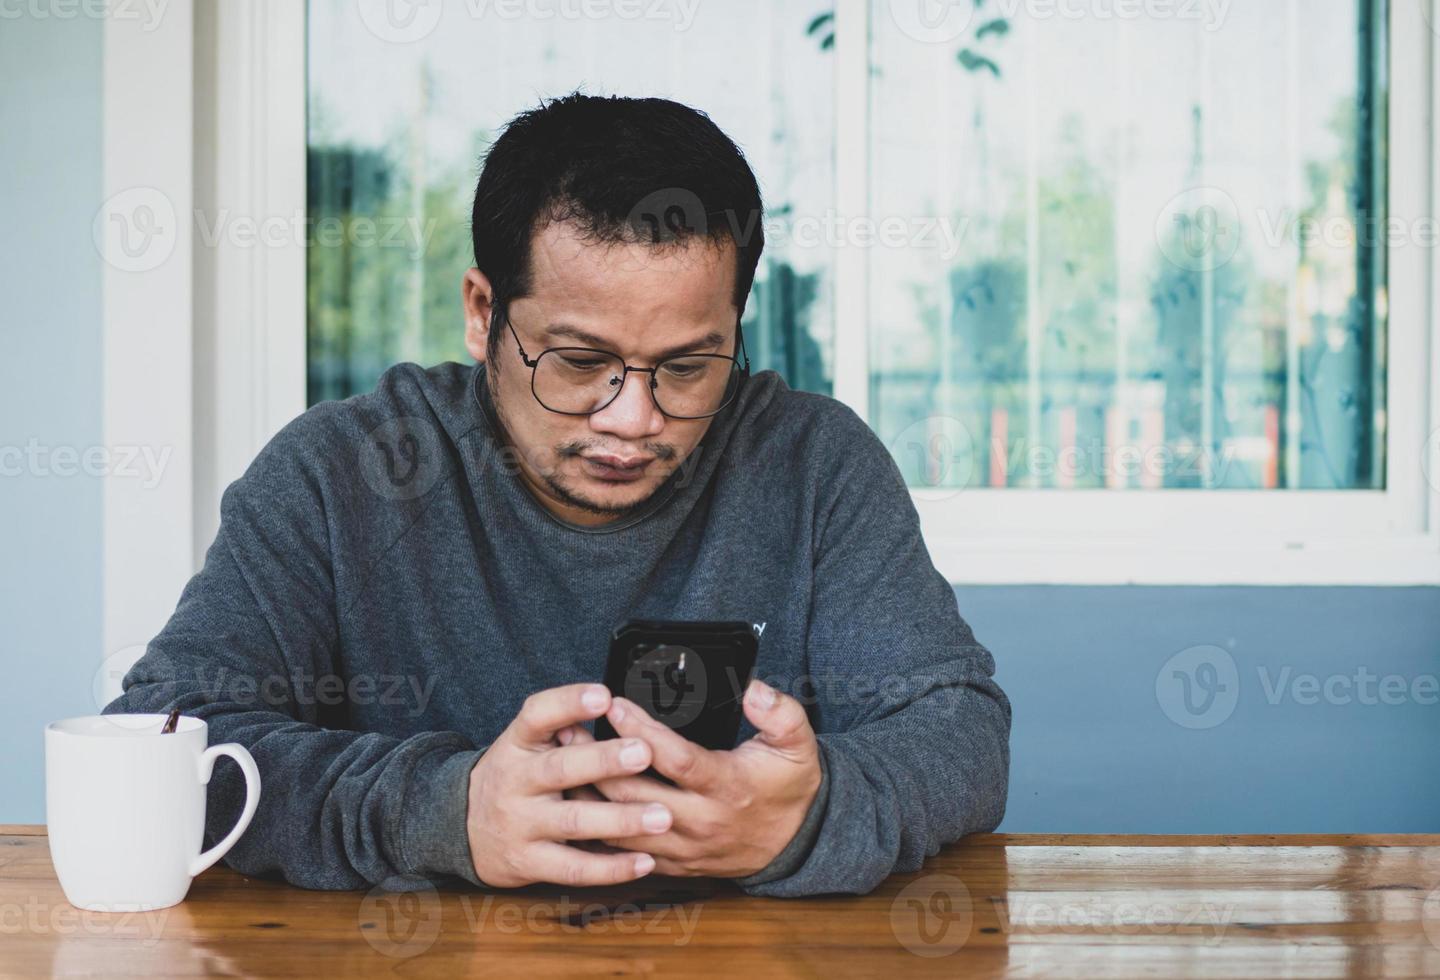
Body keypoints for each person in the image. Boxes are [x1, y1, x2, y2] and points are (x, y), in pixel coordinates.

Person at [102, 91, 1011, 897]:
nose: (632, 418)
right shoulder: (341, 474)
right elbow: (158, 741)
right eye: (578, 363)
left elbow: (963, 733)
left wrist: (811, 813)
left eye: (689, 367)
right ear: (480, 311)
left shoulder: (814, 464)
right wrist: (446, 811)